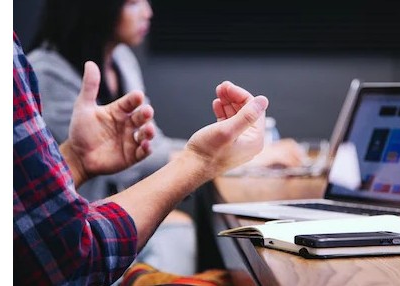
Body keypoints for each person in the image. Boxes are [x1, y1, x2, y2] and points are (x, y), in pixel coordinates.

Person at [26, 0, 303, 276]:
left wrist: (223, 151)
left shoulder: (121, 59)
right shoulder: (47, 74)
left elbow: (149, 145)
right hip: (75, 239)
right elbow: (138, 163)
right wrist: (227, 157)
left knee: (181, 229)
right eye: (133, 3)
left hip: (109, 219)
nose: (148, 12)